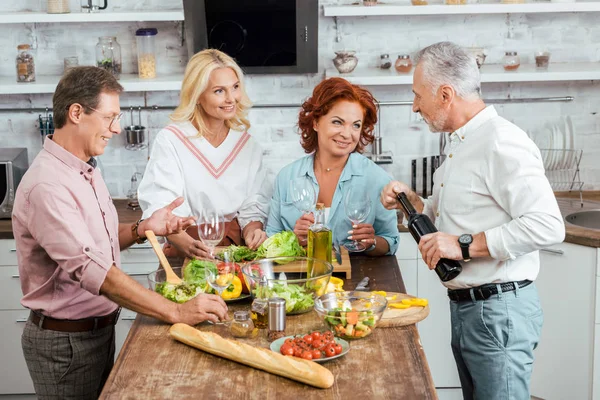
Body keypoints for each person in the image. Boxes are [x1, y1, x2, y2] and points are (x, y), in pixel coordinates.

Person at [12, 66, 229, 400]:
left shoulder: (83, 168)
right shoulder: (47, 185)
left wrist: (142, 228)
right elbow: (94, 271)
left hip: (96, 333)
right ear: (76, 113)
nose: (117, 128)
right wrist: (175, 311)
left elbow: (95, 243)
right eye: (110, 117)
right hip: (65, 344)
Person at [380, 42, 565, 399]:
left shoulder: (501, 141)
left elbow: (547, 224)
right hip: (471, 311)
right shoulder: (460, 144)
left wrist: (463, 245)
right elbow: (459, 213)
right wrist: (416, 203)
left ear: (446, 94)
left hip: (499, 311)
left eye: (418, 95)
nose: (415, 106)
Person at [138, 49, 271, 258]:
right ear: (197, 95)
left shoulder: (247, 145)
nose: (231, 99)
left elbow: (254, 203)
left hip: (236, 253)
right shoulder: (172, 139)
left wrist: (253, 231)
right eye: (219, 91)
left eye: (235, 87)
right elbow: (161, 205)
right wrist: (189, 246)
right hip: (185, 249)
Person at [267, 77, 399, 256]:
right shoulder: (287, 177)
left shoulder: (377, 179)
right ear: (315, 122)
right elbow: (271, 238)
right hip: (298, 279)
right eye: (337, 122)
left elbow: (391, 241)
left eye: (356, 125)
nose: (347, 134)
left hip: (358, 277)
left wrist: (372, 242)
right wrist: (293, 239)